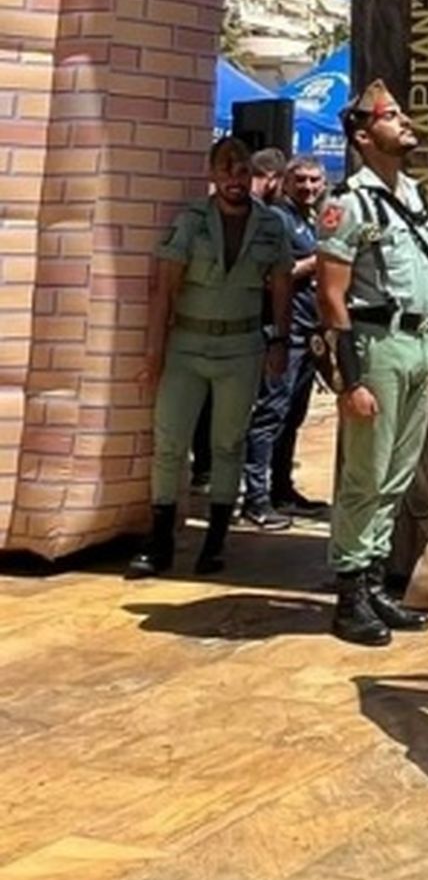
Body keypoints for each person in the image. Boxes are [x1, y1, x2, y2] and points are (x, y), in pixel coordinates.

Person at [129, 136, 293, 578]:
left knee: (228, 444)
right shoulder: (192, 221)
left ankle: (215, 541)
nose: (235, 180)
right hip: (187, 344)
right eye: (226, 170)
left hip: (241, 347)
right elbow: (164, 288)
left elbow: (281, 285)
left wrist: (280, 342)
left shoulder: (271, 225)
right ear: (212, 174)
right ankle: (159, 541)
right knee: (169, 443)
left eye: (242, 172)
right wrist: (154, 353)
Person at [316, 81, 428, 647]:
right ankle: (349, 595)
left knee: (396, 473)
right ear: (364, 136)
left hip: (420, 342)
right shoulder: (347, 203)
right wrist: (349, 378)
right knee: (364, 474)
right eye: (393, 118)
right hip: (376, 345)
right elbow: (331, 295)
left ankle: (374, 582)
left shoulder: (415, 195)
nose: (406, 123)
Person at [239, 153, 330, 527]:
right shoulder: (276, 219)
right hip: (283, 332)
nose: (308, 187)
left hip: (309, 333)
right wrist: (314, 263)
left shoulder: (311, 220)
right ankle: (255, 499)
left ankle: (281, 489)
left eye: (314, 181)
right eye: (301, 180)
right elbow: (269, 276)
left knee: (293, 416)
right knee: (269, 414)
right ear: (285, 183)